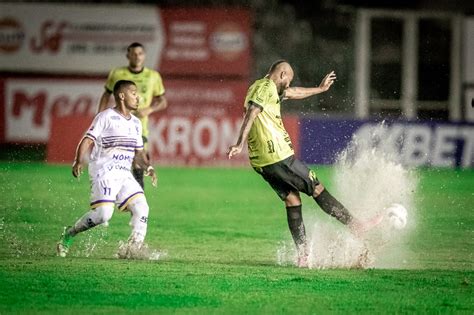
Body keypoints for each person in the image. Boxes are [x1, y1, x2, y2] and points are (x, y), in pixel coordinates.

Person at [227, 60, 381, 267]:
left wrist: (320, 89)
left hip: (262, 162)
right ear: (282, 75)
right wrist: (239, 143)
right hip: (277, 155)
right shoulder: (265, 88)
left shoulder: (262, 87)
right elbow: (253, 112)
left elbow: (294, 93)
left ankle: (303, 255)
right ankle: (356, 225)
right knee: (316, 187)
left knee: (292, 199)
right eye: (288, 80)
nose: (289, 86)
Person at [57, 80, 157, 258]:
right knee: (103, 215)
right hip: (104, 172)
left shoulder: (136, 123)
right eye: (133, 93)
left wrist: (148, 166)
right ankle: (69, 234)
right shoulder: (105, 117)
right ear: (121, 96)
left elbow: (139, 153)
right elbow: (87, 139)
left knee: (142, 208)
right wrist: (78, 161)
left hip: (124, 174)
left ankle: (132, 249)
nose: (137, 97)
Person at [98, 42, 167, 189]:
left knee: (138, 159)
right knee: (117, 160)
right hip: (118, 124)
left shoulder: (153, 76)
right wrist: (100, 117)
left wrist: (149, 109)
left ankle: (137, 194)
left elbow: (162, 101)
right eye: (134, 54)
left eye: (140, 53)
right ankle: (112, 192)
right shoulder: (117, 74)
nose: (137, 56)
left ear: (144, 56)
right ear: (128, 55)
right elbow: (106, 95)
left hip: (139, 126)